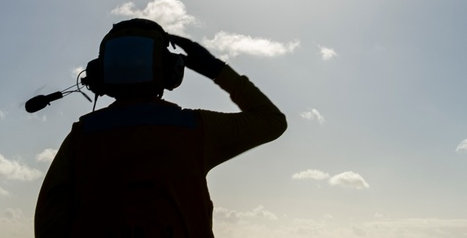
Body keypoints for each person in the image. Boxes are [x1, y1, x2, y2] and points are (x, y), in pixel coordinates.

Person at [34, 18, 287, 237]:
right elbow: (271, 121)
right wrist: (216, 69)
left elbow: (49, 223)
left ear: (98, 74)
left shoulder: (82, 136)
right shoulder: (197, 129)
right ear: (172, 71)